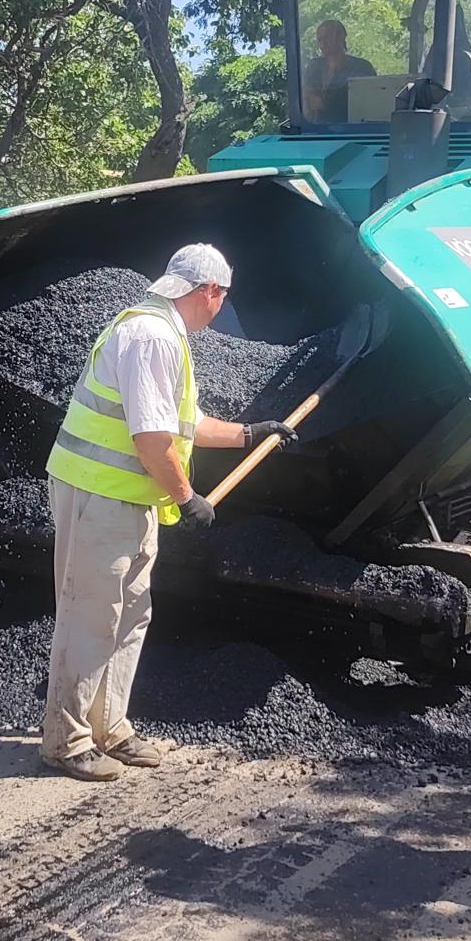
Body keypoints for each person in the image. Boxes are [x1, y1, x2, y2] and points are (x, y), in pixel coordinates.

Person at [39, 244, 298, 781]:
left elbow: (186, 423)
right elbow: (152, 438)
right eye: (222, 297)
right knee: (91, 614)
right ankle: (65, 741)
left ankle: (110, 727)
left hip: (130, 500)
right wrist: (187, 498)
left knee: (131, 614)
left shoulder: (168, 335)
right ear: (207, 291)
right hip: (100, 496)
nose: (222, 308)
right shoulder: (152, 336)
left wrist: (252, 433)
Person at [301, 20, 376, 122]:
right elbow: (306, 101)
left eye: (327, 38)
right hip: (317, 131)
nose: (323, 44)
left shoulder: (362, 67)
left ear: (341, 37)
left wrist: (322, 105)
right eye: (320, 40)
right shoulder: (313, 68)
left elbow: (368, 104)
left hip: (353, 130)